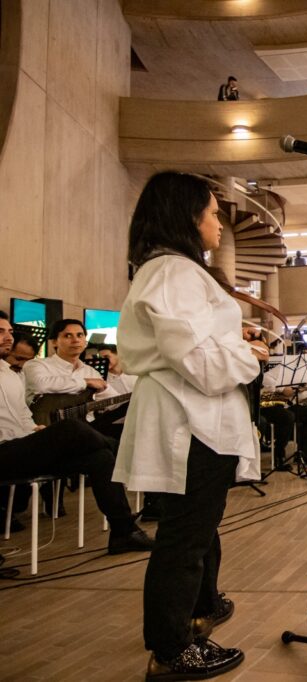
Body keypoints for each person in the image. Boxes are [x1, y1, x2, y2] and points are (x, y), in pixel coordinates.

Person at [114, 172, 260, 678]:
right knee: (184, 539)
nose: (219, 222)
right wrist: (250, 355)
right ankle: (172, 649)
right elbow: (200, 361)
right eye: (213, 212)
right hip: (189, 420)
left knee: (196, 531)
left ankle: (199, 613)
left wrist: (236, 349)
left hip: (193, 417)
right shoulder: (173, 271)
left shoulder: (172, 270)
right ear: (186, 214)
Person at [0, 311, 153, 552]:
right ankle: (128, 457)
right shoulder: (35, 366)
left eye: (9, 331)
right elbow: (41, 385)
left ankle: (124, 532)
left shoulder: (8, 375)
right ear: (54, 342)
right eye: (1, 332)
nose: (8, 337)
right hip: (5, 451)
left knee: (100, 458)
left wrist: (32, 428)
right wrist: (85, 384)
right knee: (74, 428)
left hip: (24, 445)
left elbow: (21, 414)